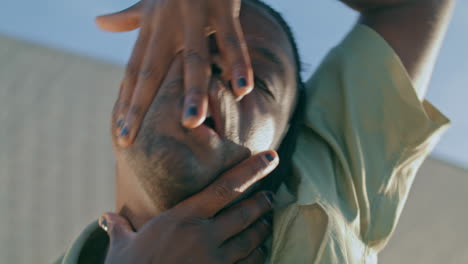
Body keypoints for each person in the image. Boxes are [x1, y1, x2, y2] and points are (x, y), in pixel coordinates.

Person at [56, 0, 453, 263]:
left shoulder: (333, 176)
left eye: (255, 79)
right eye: (188, 48)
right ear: (128, 88)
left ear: (282, 140)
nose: (209, 71)